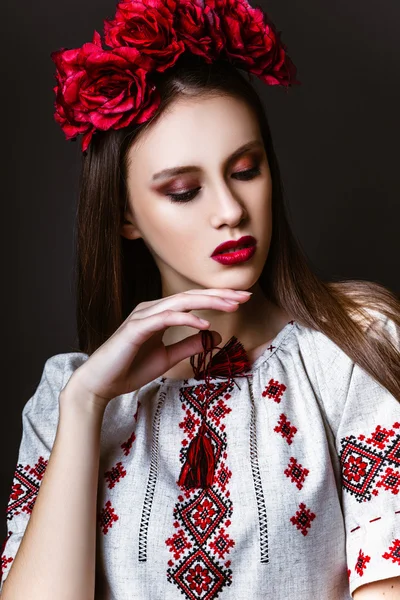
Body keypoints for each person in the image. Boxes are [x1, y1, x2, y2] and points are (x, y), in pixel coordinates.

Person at [1, 0, 400, 598]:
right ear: (125, 217)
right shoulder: (67, 397)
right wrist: (85, 405)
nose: (231, 210)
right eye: (184, 190)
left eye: (246, 169)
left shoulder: (350, 349)